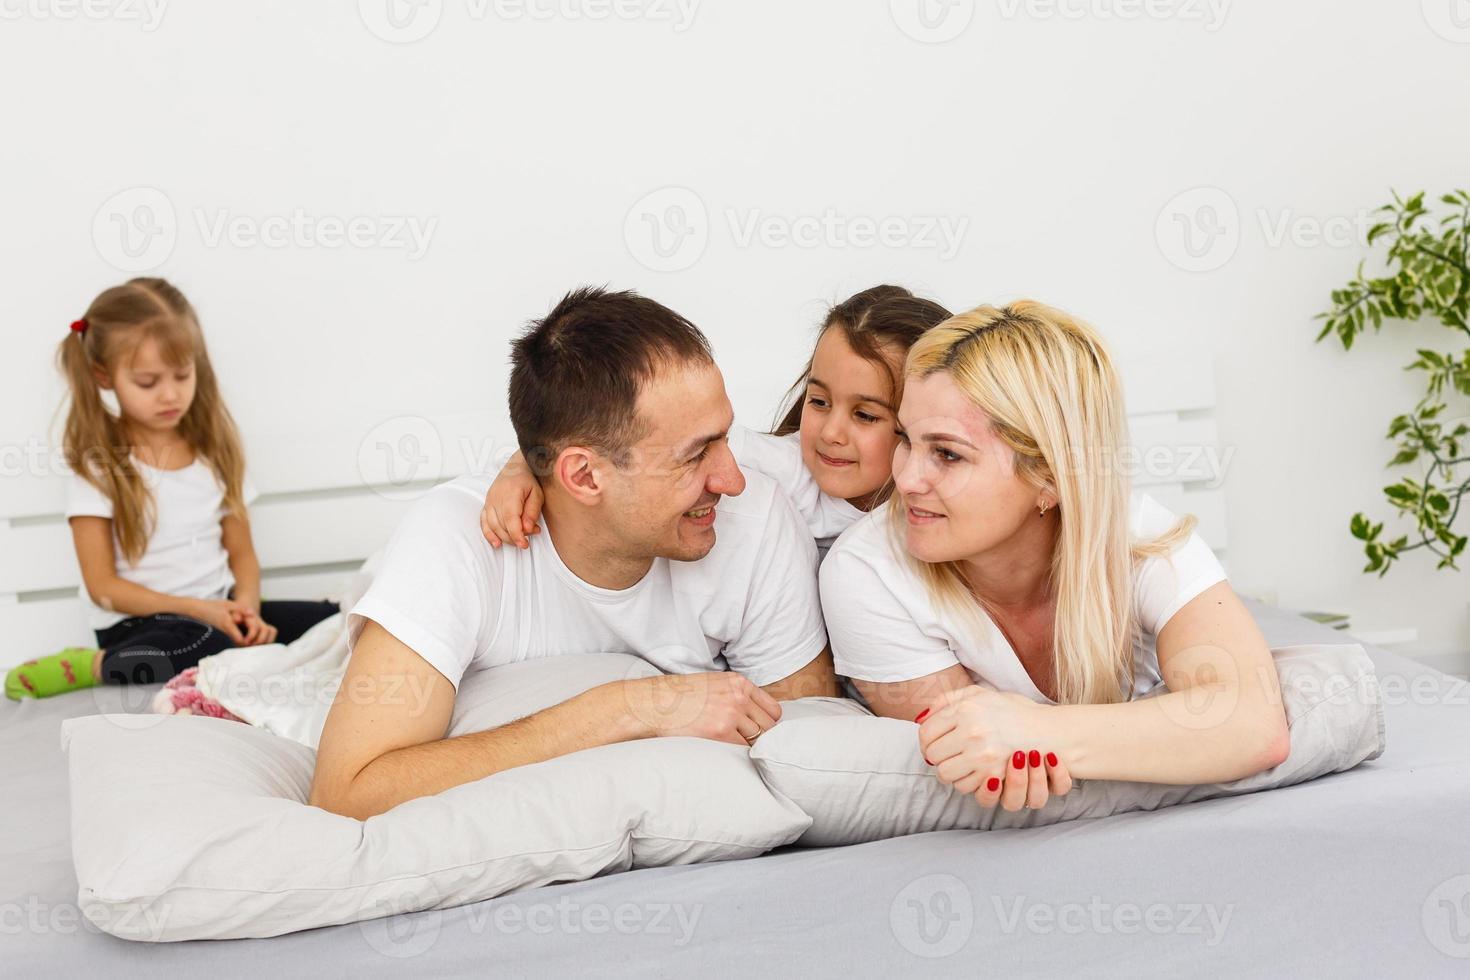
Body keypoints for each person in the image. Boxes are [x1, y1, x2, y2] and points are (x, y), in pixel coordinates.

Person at [309, 286, 839, 820]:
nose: (732, 479)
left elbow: (815, 760)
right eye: (695, 455)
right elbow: (346, 792)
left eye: (723, 438)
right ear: (584, 476)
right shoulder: (455, 542)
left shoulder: (755, 518)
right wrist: (623, 709)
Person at [819, 300, 1290, 814]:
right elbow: (973, 763)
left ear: (1049, 475)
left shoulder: (1136, 536)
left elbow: (1253, 722)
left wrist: (1039, 729)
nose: (905, 479)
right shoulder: (866, 574)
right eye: (906, 440)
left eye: (948, 454)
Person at [4, 278, 338, 700]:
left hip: (218, 607)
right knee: (207, 643)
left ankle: (246, 639)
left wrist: (247, 608)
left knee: (339, 622)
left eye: (182, 375)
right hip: (141, 625)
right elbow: (104, 587)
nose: (170, 394)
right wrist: (203, 611)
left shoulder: (213, 454)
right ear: (104, 377)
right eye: (148, 382)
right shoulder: (101, 467)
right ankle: (91, 663)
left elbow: (242, 553)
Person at [480, 284, 952, 558]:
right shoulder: (784, 468)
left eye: (866, 414)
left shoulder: (948, 501)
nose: (830, 433)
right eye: (819, 401)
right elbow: (598, 433)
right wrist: (522, 467)